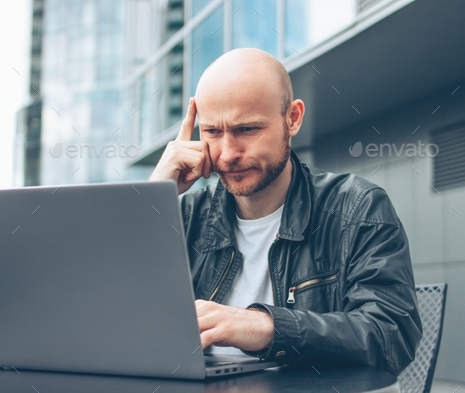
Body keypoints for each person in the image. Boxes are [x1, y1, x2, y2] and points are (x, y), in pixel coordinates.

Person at [149, 48, 422, 375]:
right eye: (212, 132)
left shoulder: (358, 207)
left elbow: (391, 337)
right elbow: (112, 318)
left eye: (247, 129)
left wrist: (267, 327)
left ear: (292, 119)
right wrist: (153, 201)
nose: (228, 153)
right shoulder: (185, 215)